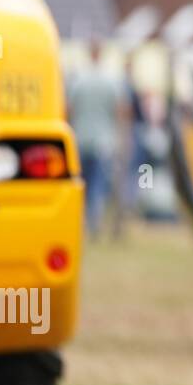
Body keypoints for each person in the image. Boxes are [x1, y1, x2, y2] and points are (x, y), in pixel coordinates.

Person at [66, 38, 126, 238]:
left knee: (80, 184)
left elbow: (69, 109)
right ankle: (96, 222)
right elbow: (120, 111)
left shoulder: (78, 80)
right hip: (104, 141)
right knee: (99, 185)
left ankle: (80, 223)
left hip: (80, 139)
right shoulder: (111, 81)